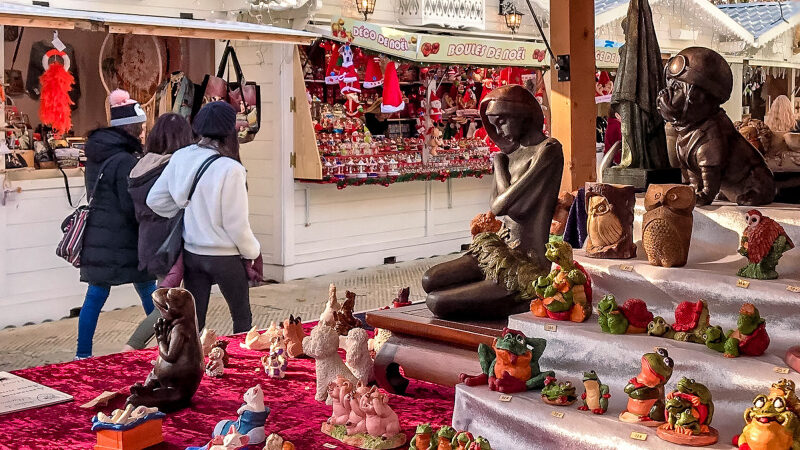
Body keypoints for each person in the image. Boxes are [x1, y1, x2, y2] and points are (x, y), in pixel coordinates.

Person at [147, 101, 260, 333]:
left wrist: (183, 205)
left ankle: (193, 365)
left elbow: (154, 200)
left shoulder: (181, 156)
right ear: (230, 130)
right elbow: (235, 224)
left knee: (193, 323)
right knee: (241, 318)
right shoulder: (230, 168)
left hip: (192, 254)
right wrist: (253, 252)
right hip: (225, 256)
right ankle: (241, 366)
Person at [76, 90, 156, 359]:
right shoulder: (124, 160)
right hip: (124, 238)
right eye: (141, 128)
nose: (143, 133)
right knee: (149, 292)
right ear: (130, 128)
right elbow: (129, 203)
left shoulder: (98, 154)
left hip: (99, 236)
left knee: (95, 295)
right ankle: (165, 345)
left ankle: (82, 354)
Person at [122, 113, 195, 352]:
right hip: (171, 243)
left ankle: (174, 349)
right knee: (168, 306)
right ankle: (132, 346)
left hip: (149, 241)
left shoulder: (141, 166)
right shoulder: (172, 166)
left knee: (167, 299)